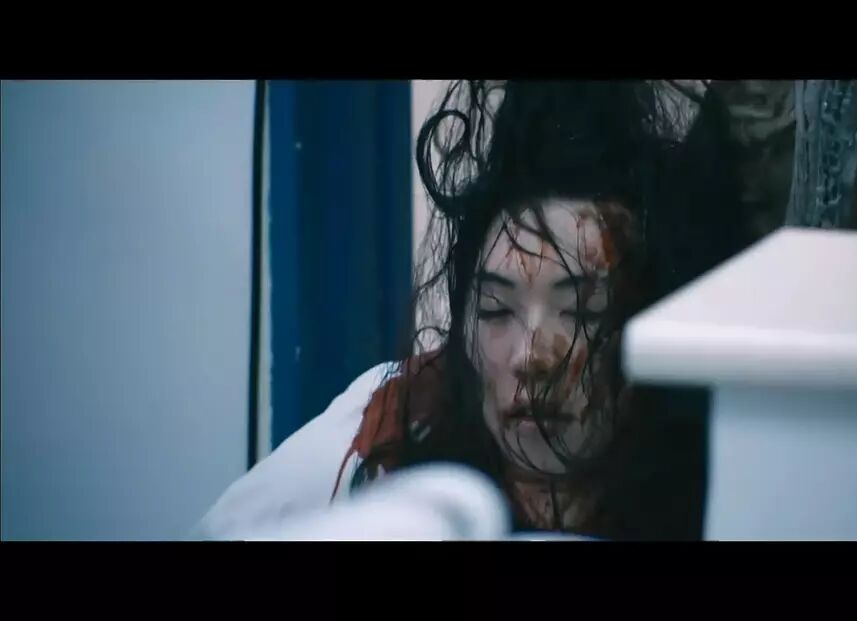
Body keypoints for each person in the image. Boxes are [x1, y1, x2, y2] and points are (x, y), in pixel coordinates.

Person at [197, 80, 756, 540]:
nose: (531, 357)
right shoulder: (391, 425)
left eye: (584, 313)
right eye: (494, 310)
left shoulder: (732, 476)